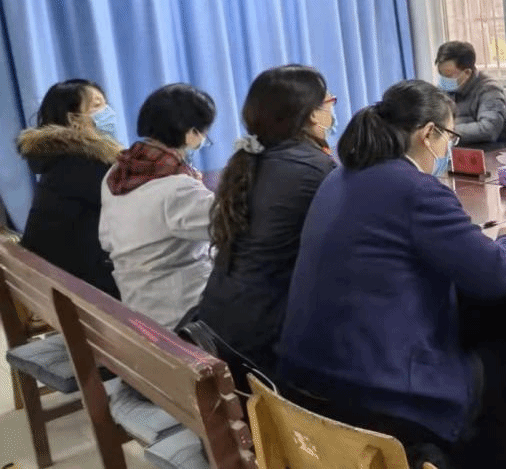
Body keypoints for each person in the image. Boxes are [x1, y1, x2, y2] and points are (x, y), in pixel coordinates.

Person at [276, 80, 506, 468]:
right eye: (449, 137)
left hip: (305, 378)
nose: (448, 149)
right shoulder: (415, 189)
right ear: (428, 133)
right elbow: (498, 274)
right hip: (379, 392)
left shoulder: (339, 177)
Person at [196, 65, 337, 377]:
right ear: (311, 114)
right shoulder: (314, 169)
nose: (331, 112)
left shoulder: (252, 160)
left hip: (219, 324)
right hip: (264, 344)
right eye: (329, 102)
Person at [99, 83, 216, 330]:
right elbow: (231, 225)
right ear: (191, 134)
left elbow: (106, 240)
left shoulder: (116, 173)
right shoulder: (178, 188)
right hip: (182, 316)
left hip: (138, 305)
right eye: (204, 132)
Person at [16, 79, 122, 298]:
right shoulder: (81, 163)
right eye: (97, 105)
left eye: (105, 103)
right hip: (78, 288)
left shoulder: (61, 159)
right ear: (74, 119)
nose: (108, 112)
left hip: (52, 281)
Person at [435, 41, 506, 144]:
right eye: (441, 74)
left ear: (467, 73)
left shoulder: (490, 89)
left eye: (448, 75)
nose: (443, 80)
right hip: (460, 148)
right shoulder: (444, 90)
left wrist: (447, 132)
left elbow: (488, 129)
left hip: (497, 149)